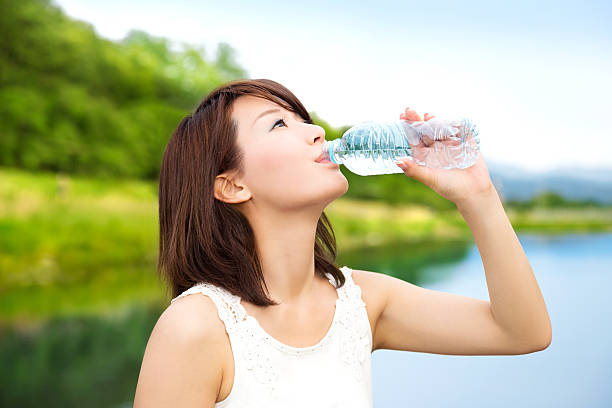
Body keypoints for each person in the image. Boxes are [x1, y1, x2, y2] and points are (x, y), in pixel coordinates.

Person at [133, 79, 552, 407]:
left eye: (304, 120)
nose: (316, 132)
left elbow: (522, 332)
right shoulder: (197, 328)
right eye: (279, 124)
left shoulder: (364, 303)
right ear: (232, 185)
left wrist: (477, 196)